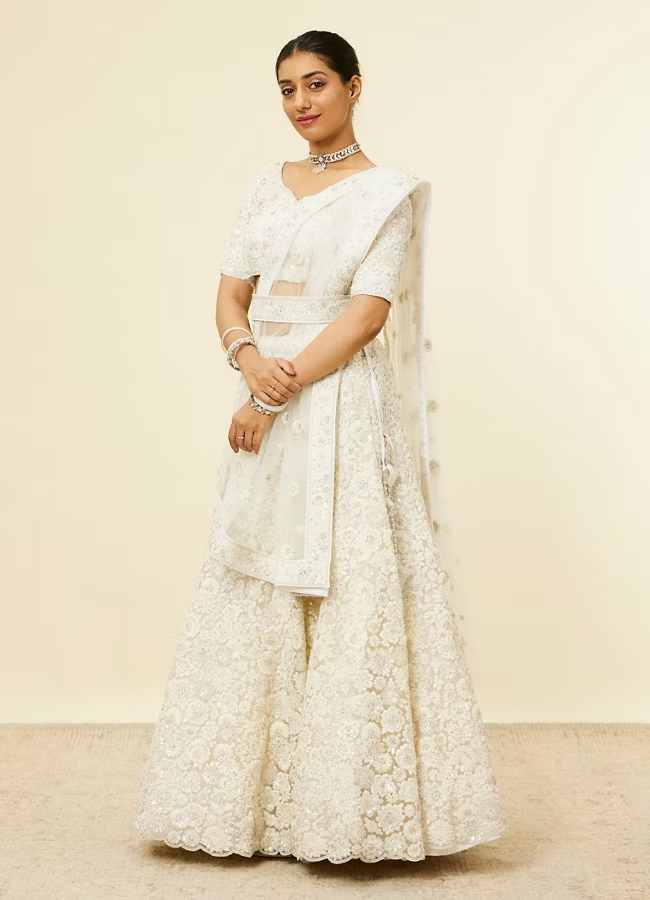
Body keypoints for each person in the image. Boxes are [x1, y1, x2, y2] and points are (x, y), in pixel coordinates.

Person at [133, 29, 509, 865]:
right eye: (286, 89)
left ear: (353, 87)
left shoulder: (387, 194)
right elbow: (232, 294)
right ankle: (251, 809)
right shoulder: (265, 185)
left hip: (338, 404)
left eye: (315, 84)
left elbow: (366, 314)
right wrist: (248, 362)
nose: (300, 103)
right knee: (253, 576)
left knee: (348, 577)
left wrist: (277, 388)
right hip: (265, 386)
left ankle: (344, 812)